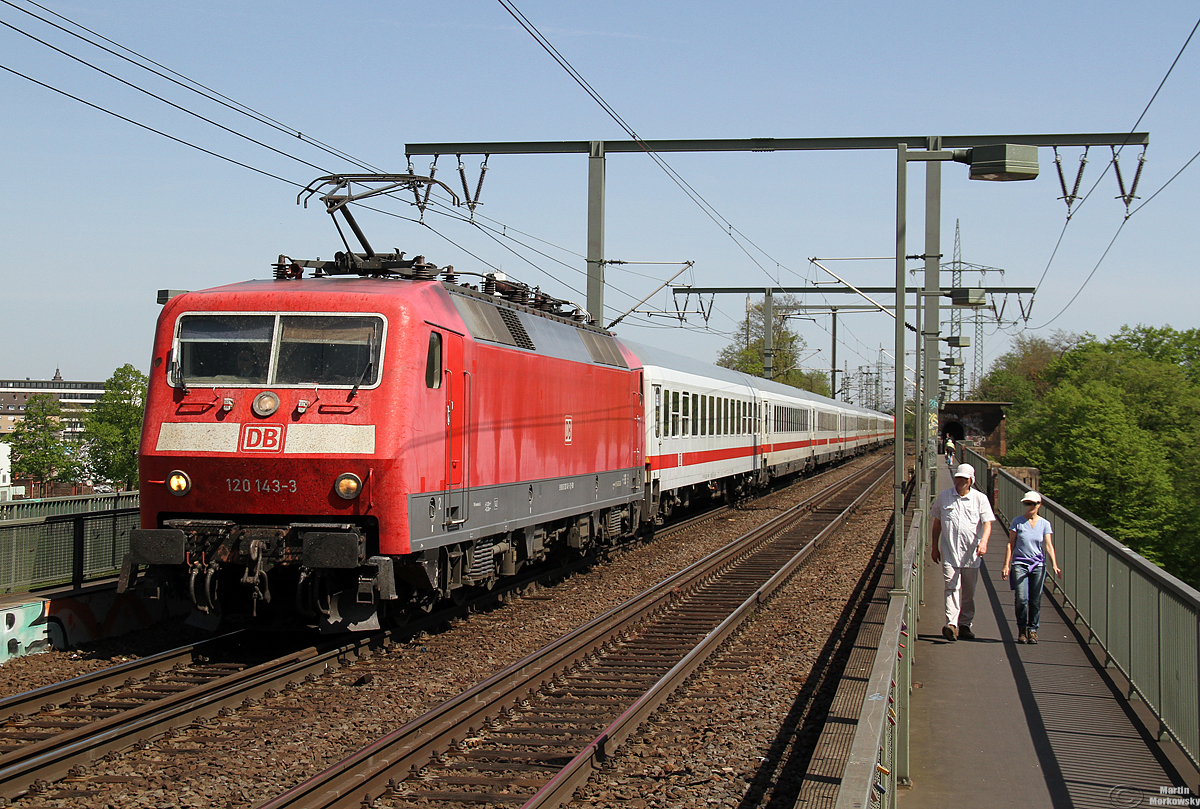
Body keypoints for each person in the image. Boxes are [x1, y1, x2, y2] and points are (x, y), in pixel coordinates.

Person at [931, 463, 995, 641]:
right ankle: (951, 624)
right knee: (951, 587)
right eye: (958, 478)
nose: (960, 481)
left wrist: (984, 542)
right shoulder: (945, 496)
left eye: (963, 479)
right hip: (949, 551)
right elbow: (937, 523)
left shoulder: (980, 499)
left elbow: (987, 523)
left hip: (971, 553)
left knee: (968, 591)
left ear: (970, 481)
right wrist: (934, 547)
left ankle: (965, 624)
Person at [1001, 491, 1060, 644]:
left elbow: (1048, 545)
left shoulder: (1044, 524)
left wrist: (1054, 564)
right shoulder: (1017, 522)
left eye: (1032, 504)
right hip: (1020, 563)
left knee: (1035, 599)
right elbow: (1010, 544)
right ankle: (1021, 629)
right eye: (1026, 503)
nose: (1028, 507)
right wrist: (1006, 565)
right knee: (1021, 598)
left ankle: (1032, 629)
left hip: (1037, 564)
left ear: (1038, 505)